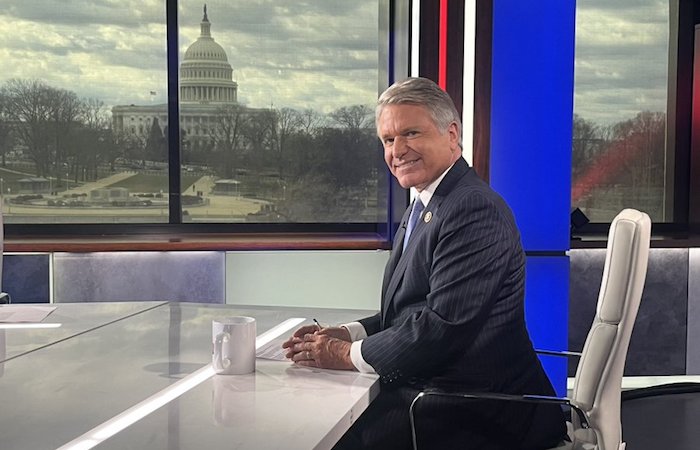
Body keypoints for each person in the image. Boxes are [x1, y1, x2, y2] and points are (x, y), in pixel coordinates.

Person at [282, 77, 566, 449]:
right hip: (437, 393)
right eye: (388, 140)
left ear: (452, 134)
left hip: (474, 411)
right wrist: (349, 334)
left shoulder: (473, 208)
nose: (397, 150)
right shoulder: (426, 203)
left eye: (411, 133)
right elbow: (412, 310)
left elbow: (441, 328)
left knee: (317, 433)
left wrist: (344, 355)